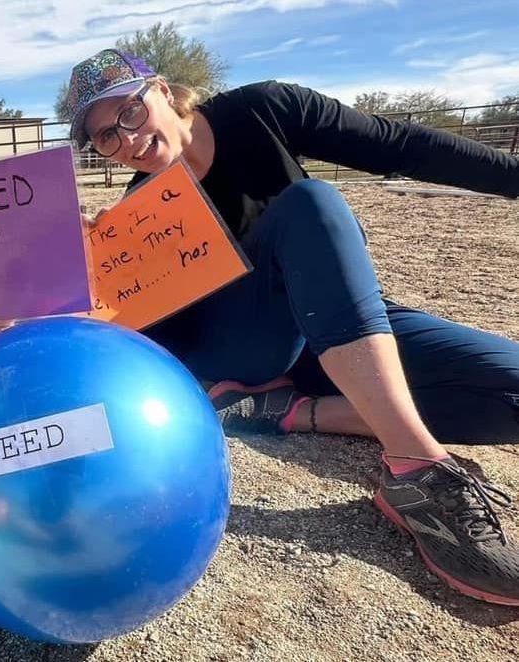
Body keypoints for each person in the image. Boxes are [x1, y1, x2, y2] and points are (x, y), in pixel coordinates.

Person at [66, 49, 519, 605]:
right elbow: (145, 342)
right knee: (308, 201)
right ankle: (417, 472)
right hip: (256, 352)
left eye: (129, 114)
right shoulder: (138, 213)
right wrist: (89, 279)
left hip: (344, 326)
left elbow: (402, 145)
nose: (127, 141)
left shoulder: (265, 111)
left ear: (161, 89)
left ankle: (296, 412)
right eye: (106, 137)